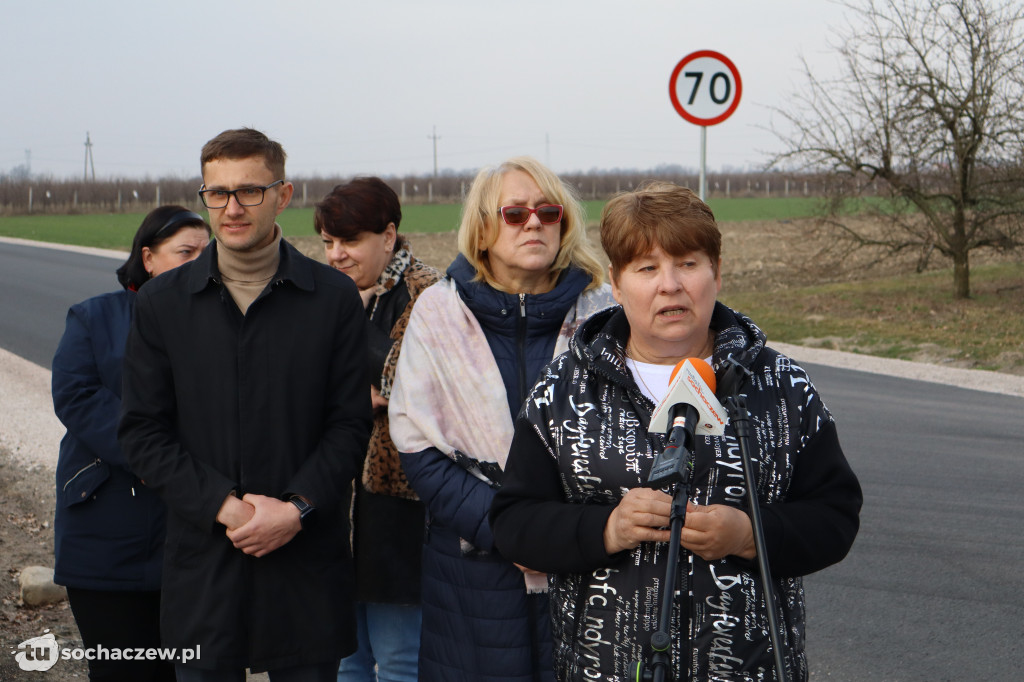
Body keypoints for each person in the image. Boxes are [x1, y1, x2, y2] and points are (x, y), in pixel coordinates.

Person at [490, 182, 863, 682]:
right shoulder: (563, 388)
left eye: (688, 263)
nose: (669, 284)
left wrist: (749, 535)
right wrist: (607, 529)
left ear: (717, 273)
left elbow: (835, 517)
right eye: (646, 268)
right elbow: (514, 523)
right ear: (616, 284)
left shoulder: (781, 385)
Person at [118, 128, 372, 681]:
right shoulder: (162, 304)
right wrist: (225, 507)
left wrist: (296, 508)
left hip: (305, 562)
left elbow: (350, 425)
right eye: (218, 193)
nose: (232, 208)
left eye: (249, 191)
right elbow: (143, 432)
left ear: (283, 195)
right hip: (206, 560)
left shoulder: (332, 298)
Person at [387, 156, 615, 682]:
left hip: (586, 563)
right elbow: (418, 447)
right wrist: (514, 532)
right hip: (471, 573)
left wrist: (563, 535)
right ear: (483, 229)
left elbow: (627, 445)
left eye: (548, 212)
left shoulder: (604, 317)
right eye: (515, 213)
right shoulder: (438, 315)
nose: (535, 223)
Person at [52, 205, 209, 682]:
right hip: (107, 525)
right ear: (148, 258)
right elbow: (77, 396)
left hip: (192, 533)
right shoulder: (94, 317)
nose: (200, 263)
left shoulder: (222, 324)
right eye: (186, 251)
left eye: (208, 253)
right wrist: (154, 454)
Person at [313, 177, 441, 682]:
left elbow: (418, 382)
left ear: (388, 236)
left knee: (401, 658)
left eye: (350, 241)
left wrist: (368, 391)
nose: (336, 255)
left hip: (399, 504)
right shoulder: (322, 294)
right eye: (328, 242)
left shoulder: (427, 293)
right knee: (345, 658)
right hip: (331, 496)